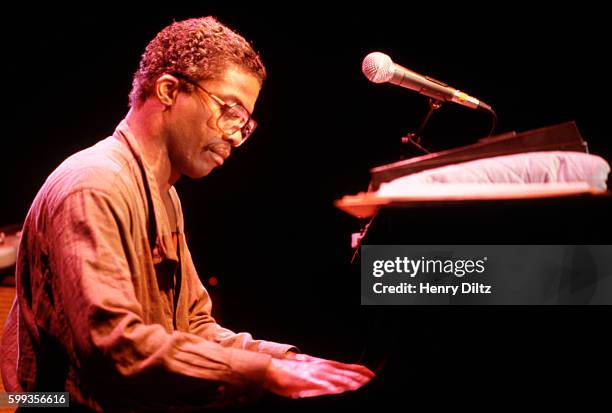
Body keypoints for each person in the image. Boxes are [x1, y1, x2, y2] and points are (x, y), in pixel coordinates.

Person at [0, 16, 374, 411]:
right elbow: (114, 347)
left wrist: (284, 360)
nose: (235, 134)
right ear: (167, 90)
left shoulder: (166, 196)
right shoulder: (94, 185)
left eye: (245, 124)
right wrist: (261, 373)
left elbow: (193, 326)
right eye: (230, 111)